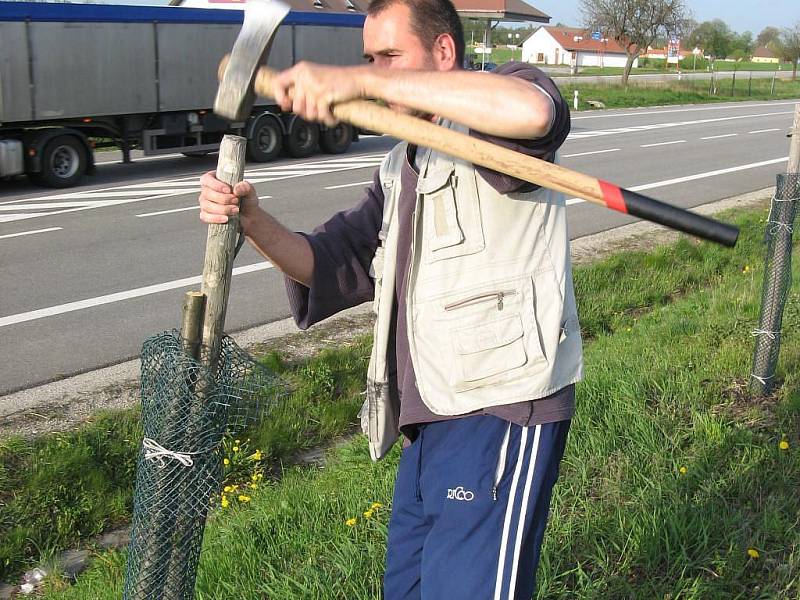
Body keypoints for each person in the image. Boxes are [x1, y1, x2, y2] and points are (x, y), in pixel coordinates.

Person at [198, 0, 582, 596]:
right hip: (428, 419)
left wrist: (355, 79)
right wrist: (252, 220)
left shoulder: (494, 114)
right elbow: (335, 261)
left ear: (444, 53)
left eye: (389, 56)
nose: (375, 69)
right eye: (367, 58)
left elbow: (534, 113)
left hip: (500, 409)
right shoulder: (403, 163)